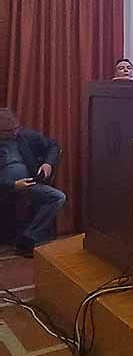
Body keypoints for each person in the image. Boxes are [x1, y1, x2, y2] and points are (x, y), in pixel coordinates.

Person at [0, 108, 65, 257]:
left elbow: (53, 145)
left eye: (16, 128)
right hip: (5, 188)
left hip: (29, 184)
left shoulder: (24, 136)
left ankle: (28, 238)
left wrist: (48, 163)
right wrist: (14, 185)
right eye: (9, 131)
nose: (14, 133)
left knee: (57, 197)